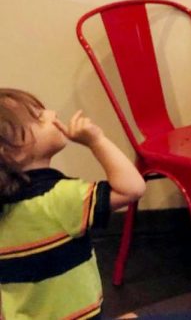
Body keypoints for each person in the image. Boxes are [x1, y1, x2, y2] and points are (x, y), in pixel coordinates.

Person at [0, 88, 145, 319]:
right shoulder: (60, 199)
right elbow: (132, 188)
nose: (52, 113)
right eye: (38, 116)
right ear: (10, 154)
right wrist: (96, 141)